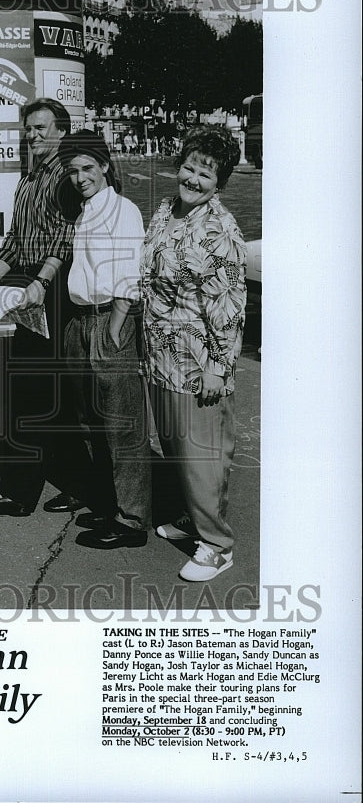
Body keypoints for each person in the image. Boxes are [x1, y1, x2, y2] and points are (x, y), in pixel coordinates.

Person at [141, 126, 247, 581]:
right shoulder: (165, 211)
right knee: (177, 448)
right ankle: (194, 518)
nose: (194, 179)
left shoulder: (220, 229)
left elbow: (230, 307)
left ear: (219, 183)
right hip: (160, 355)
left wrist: (218, 366)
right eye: (190, 167)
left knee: (203, 455)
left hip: (198, 361)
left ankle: (217, 545)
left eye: (206, 174)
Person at [0, 97, 76, 518]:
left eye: (42, 128)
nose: (34, 135)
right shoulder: (28, 180)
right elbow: (14, 239)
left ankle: (18, 492)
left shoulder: (65, 177)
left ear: (61, 131)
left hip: (52, 286)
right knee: (42, 389)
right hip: (27, 284)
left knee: (35, 390)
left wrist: (42, 282)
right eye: (29, 129)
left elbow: (65, 237)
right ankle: (72, 483)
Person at [54, 130, 153, 549]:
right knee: (89, 421)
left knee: (122, 424)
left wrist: (114, 327)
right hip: (81, 321)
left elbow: (130, 272)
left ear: (105, 167)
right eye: (73, 171)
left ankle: (132, 520)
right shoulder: (83, 211)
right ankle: (109, 504)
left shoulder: (122, 210)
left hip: (109, 320)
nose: (79, 177)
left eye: (87, 169)